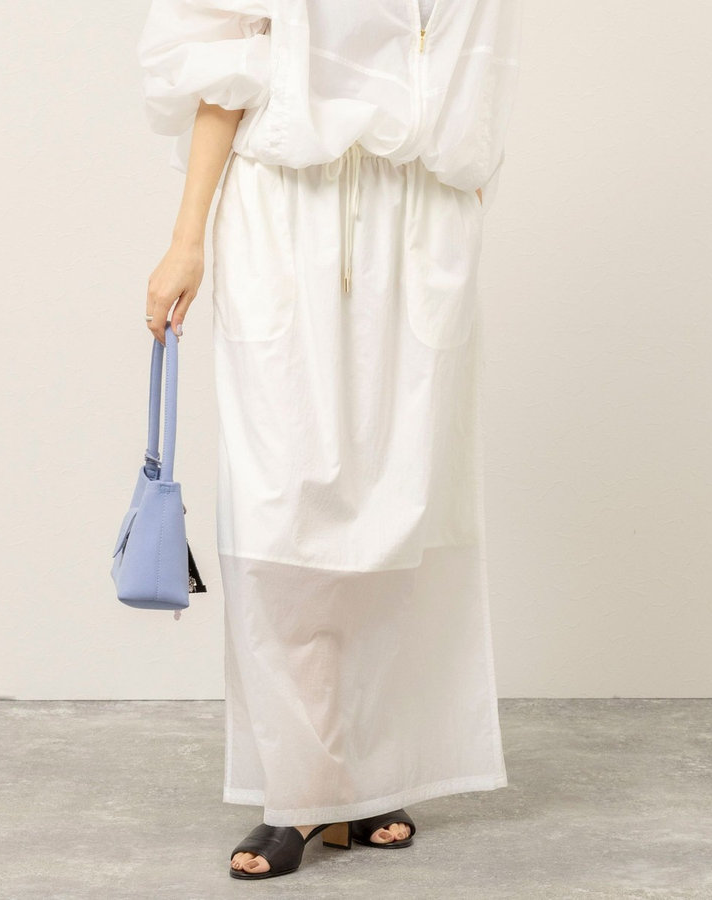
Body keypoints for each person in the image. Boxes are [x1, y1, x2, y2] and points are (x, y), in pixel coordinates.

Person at [137, 0, 522, 881]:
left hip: (420, 216)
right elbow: (225, 63)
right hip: (287, 208)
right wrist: (187, 237)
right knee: (284, 509)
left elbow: (474, 77)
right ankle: (297, 789)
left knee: (399, 507)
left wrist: (459, 212)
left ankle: (363, 778)